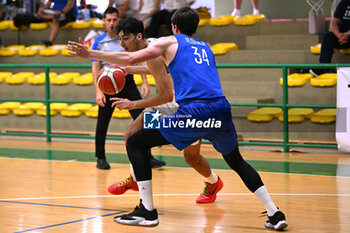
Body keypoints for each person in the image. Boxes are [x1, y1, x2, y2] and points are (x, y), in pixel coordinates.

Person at [67, 7, 288, 230]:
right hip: (220, 109)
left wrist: (91, 54)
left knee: (135, 141)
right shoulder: (204, 47)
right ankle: (275, 213)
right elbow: (157, 66)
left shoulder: (168, 41)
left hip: (192, 112)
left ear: (174, 27)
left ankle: (147, 210)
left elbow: (131, 58)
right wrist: (130, 72)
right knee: (235, 161)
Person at [105, 17, 224, 204]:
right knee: (131, 134)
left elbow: (165, 92)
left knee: (191, 157)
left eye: (125, 38)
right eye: (119, 39)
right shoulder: (152, 44)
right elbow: (158, 70)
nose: (122, 44)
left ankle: (213, 182)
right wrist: (128, 70)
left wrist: (134, 103)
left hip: (181, 106)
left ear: (138, 36)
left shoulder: (154, 50)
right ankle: (135, 178)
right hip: (170, 105)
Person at [92, 7, 165, 170]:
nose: (111, 23)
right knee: (102, 123)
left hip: (127, 79)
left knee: (143, 117)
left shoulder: (128, 38)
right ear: (103, 21)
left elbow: (138, 59)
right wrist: (98, 90)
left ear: (119, 20)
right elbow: (95, 68)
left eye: (114, 20)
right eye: (108, 20)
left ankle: (148, 155)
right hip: (107, 83)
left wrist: (144, 82)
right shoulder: (99, 42)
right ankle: (100, 158)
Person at [309, 0, 350, 76]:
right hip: (342, 37)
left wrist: (348, 34)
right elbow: (334, 22)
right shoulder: (344, 3)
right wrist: (339, 35)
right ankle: (323, 67)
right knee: (327, 37)